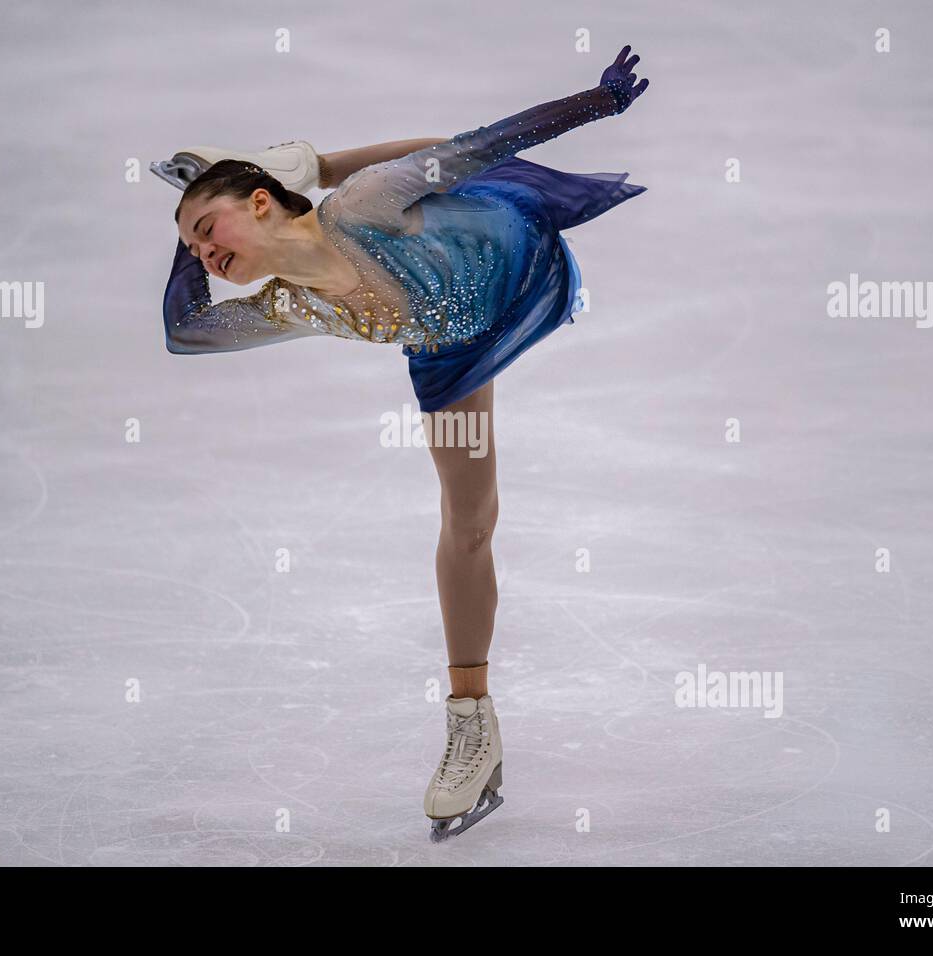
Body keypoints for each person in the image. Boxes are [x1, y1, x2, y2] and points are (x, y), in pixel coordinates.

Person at [156, 45, 648, 841]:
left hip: (511, 258)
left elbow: (477, 145)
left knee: (424, 162)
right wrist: (192, 239)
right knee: (471, 522)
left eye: (206, 230)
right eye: (193, 250)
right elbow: (187, 333)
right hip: (453, 352)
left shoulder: (362, 208)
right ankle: (472, 724)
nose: (204, 255)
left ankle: (299, 163)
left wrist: (596, 102)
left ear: (256, 203)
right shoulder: (290, 306)